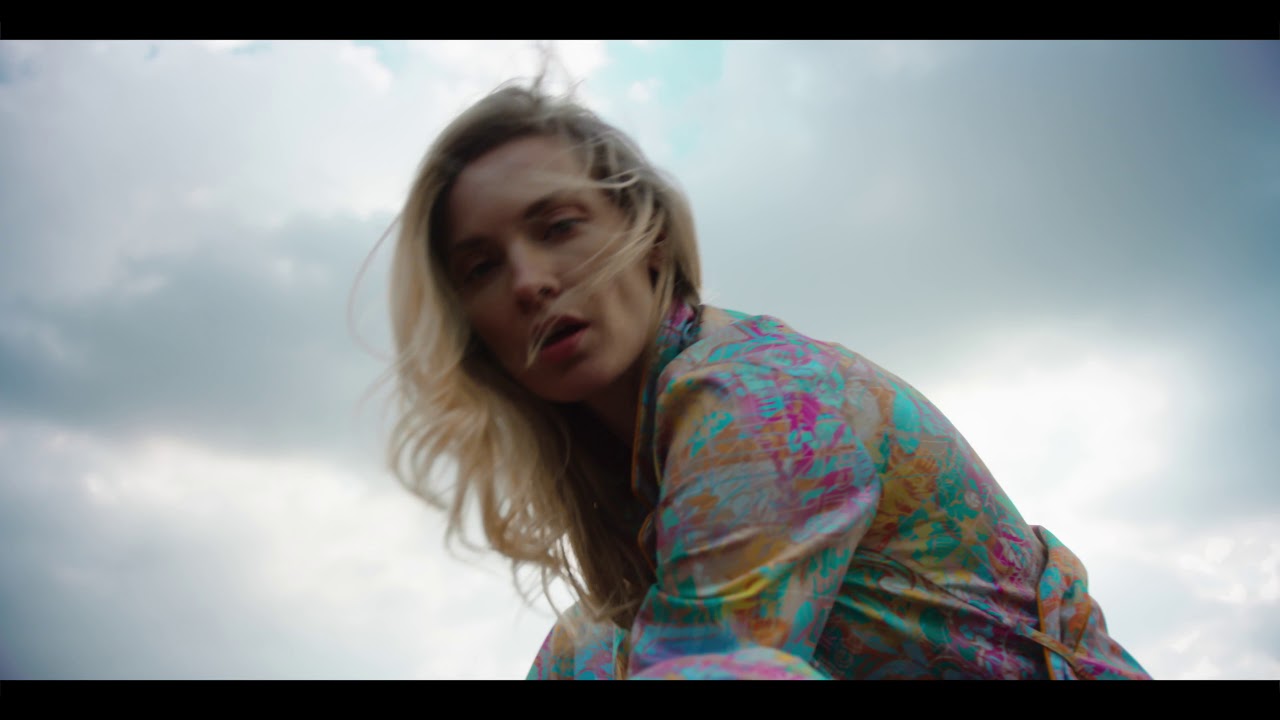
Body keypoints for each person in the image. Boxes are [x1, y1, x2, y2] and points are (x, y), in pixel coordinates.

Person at [383, 72, 1151, 680]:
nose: (528, 282)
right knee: (586, 648)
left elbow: (709, 667)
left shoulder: (751, 401)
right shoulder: (647, 461)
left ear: (649, 239)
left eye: (558, 227)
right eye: (481, 268)